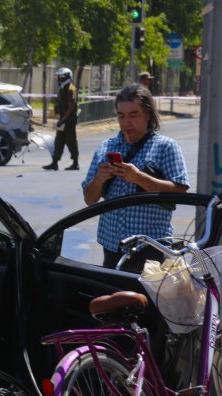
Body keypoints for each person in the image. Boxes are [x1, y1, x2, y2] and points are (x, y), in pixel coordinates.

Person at [81, 84, 189, 272]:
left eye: (133, 115)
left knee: (148, 300)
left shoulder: (165, 146)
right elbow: (90, 199)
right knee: (115, 299)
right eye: (121, 116)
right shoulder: (106, 147)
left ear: (148, 114)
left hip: (151, 247)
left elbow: (180, 190)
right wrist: (99, 179)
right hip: (112, 245)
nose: (126, 123)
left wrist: (139, 178)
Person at [43, 67, 79, 171]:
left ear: (68, 77)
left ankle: (75, 163)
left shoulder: (71, 89)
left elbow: (71, 106)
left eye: (61, 77)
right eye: (59, 77)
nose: (59, 79)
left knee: (71, 141)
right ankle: (54, 162)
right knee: (58, 141)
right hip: (63, 119)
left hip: (69, 120)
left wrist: (63, 119)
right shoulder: (63, 88)